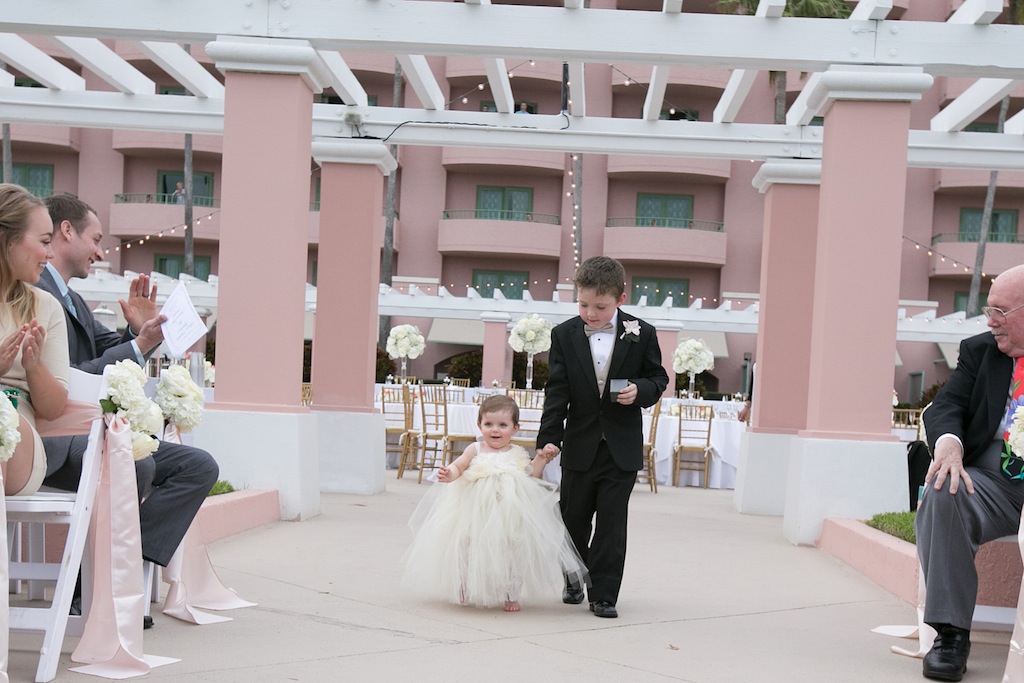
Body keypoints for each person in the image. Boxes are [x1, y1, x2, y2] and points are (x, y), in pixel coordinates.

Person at [37, 194, 219, 593]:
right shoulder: (38, 292)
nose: (101, 251)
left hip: (92, 433)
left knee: (198, 467)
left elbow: (110, 351)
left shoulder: (73, 299)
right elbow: (67, 377)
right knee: (136, 465)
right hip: (59, 438)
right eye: (97, 238)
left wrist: (138, 333)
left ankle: (122, 568)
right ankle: (98, 587)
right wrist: (138, 343)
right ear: (67, 231)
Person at [536, 256, 668, 618]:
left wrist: (640, 390)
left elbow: (659, 380)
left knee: (612, 524)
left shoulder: (643, 333)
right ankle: (574, 576)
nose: (590, 314)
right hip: (579, 443)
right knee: (572, 518)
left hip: (620, 447)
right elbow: (557, 391)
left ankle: (604, 594)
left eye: (600, 306)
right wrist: (549, 439)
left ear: (620, 299)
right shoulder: (563, 334)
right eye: (583, 304)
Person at [916, 263, 1024, 682]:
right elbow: (947, 406)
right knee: (945, 488)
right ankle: (951, 633)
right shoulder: (980, 350)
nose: (989, 320)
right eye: (988, 309)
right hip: (995, 481)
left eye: (1000, 310)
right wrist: (948, 445)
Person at [402, 395, 587, 612]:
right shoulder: (476, 449)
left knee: (513, 549)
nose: (495, 430)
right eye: (488, 424)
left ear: (515, 428)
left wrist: (542, 459)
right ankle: (464, 583)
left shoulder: (516, 452)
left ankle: (511, 592)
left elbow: (531, 475)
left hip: (510, 511)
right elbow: (459, 466)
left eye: (502, 425)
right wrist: (448, 473)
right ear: (479, 425)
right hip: (475, 509)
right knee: (467, 545)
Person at [0, 183, 70, 496]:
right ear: (8, 240)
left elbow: (54, 407)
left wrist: (34, 365)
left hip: (17, 440)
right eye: (44, 241)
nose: (50, 253)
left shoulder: (45, 306)